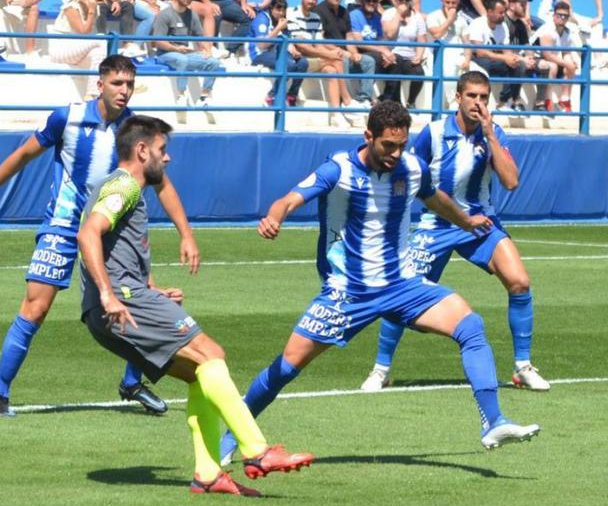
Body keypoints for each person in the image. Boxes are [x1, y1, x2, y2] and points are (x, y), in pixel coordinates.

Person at [216, 100, 542, 464]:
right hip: (347, 292)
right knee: (287, 367)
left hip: (403, 285)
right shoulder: (337, 169)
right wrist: (273, 218)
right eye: (388, 145)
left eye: (401, 145)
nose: (396, 153)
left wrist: (467, 223)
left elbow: (436, 199)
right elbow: (287, 200)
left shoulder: (413, 168)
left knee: (471, 326)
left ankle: (493, 420)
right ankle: (231, 436)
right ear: (368, 136)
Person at [77, 114, 314, 496]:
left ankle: (207, 474)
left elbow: (112, 248)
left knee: (198, 371)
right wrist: (109, 293)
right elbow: (88, 234)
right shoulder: (123, 185)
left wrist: (150, 288)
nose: (167, 159)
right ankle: (256, 450)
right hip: (118, 301)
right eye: (162, 151)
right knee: (209, 354)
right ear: (142, 151)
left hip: (119, 301)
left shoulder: (119, 187)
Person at [0, 55, 201, 418]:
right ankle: (0, 396)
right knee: (36, 308)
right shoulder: (66, 118)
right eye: (118, 83)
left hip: (111, 230)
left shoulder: (134, 130)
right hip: (63, 224)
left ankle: (132, 381)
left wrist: (187, 234)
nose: (124, 91)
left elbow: (162, 183)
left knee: (137, 302)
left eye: (130, 84)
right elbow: (23, 155)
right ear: (99, 84)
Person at [365, 72, 550, 391]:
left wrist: (491, 135)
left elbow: (511, 182)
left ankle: (522, 367)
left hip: (481, 224)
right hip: (435, 226)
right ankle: (380, 370)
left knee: (519, 281)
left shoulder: (494, 133)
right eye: (472, 96)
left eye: (484, 97)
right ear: (458, 97)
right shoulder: (434, 133)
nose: (478, 103)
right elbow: (405, 171)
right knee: (402, 293)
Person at [151, 0, 223, 124]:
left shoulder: (192, 15)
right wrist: (176, 49)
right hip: (165, 53)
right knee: (182, 60)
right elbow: (158, 42)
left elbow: (199, 37)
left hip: (184, 53)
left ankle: (205, 95)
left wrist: (207, 50)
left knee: (214, 62)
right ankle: (181, 95)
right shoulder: (165, 15)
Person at [291, 0, 359, 127]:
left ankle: (336, 114)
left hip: (314, 60)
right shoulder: (292, 13)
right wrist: (330, 54)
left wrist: (331, 52)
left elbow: (318, 42)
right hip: (300, 61)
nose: (311, 1)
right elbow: (302, 47)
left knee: (333, 71)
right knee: (336, 59)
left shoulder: (315, 17)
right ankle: (347, 100)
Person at [467, 0, 531, 110]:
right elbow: (480, 52)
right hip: (477, 60)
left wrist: (516, 59)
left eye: (504, 12)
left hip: (494, 60)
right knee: (486, 63)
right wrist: (504, 58)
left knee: (517, 65)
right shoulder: (478, 23)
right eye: (500, 13)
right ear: (490, 12)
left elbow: (507, 52)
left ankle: (506, 101)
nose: (503, 15)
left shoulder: (503, 26)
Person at [47, 0, 108, 96]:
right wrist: (91, 11)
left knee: (98, 53)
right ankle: (116, 73)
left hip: (78, 50)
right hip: (61, 50)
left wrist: (92, 11)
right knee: (101, 39)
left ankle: (92, 95)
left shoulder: (95, 10)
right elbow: (83, 31)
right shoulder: (71, 8)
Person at [314, 0, 369, 104]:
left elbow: (349, 37)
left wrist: (354, 53)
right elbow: (320, 40)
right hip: (328, 52)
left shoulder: (344, 12)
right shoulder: (318, 11)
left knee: (368, 61)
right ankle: (347, 101)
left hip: (344, 51)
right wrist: (344, 53)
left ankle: (365, 98)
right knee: (342, 60)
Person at [250, 0, 308, 106]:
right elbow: (262, 45)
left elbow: (287, 41)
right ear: (271, 8)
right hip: (259, 54)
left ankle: (291, 96)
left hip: (277, 53)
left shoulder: (282, 21)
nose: (281, 13)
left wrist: (294, 50)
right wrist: (278, 28)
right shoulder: (262, 19)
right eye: (278, 9)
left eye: (283, 10)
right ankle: (272, 95)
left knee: (303, 63)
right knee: (288, 64)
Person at [380, 0, 427, 108]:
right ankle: (390, 100)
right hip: (390, 56)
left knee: (418, 72)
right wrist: (398, 15)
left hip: (409, 57)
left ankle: (410, 102)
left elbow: (422, 39)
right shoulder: (388, 14)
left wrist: (419, 56)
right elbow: (389, 34)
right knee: (397, 61)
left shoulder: (417, 17)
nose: (404, 1)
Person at [531, 2, 580, 113]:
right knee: (552, 66)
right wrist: (566, 63)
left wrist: (571, 63)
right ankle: (548, 100)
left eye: (565, 16)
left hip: (551, 60)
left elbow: (566, 52)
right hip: (534, 59)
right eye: (559, 15)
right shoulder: (547, 30)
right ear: (554, 16)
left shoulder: (567, 32)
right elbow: (547, 55)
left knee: (570, 62)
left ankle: (564, 99)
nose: (562, 18)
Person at [427, 0, 471, 107]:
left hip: (458, 55)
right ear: (442, 1)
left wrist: (467, 59)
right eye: (447, 2)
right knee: (449, 69)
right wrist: (450, 19)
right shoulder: (433, 16)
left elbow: (467, 42)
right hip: (437, 54)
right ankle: (452, 103)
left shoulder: (462, 20)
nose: (450, 6)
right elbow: (436, 35)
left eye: (453, 3)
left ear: (458, 3)